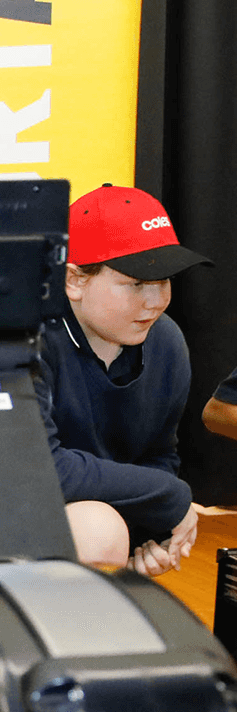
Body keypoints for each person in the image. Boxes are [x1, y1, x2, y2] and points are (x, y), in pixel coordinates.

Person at [37, 184, 208, 575]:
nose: (156, 301)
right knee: (98, 532)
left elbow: (158, 456)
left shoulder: (166, 341)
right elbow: (40, 468)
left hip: (92, 513)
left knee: (107, 535)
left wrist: (145, 539)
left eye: (164, 280)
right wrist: (167, 496)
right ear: (74, 280)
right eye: (137, 283)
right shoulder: (23, 338)